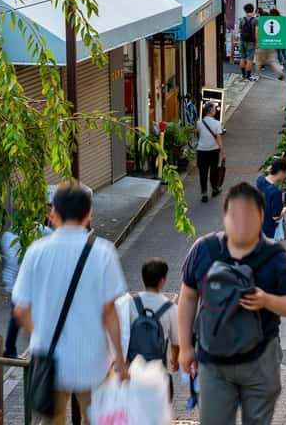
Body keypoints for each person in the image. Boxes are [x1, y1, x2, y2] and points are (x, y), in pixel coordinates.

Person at [178, 183, 286, 425]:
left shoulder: (276, 257)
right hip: (213, 360)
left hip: (260, 359)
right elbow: (188, 295)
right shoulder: (205, 249)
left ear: (261, 216)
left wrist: (267, 300)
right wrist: (185, 347)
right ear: (225, 216)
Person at [12, 181, 128, 425]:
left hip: (50, 361)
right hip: (94, 360)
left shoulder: (36, 252)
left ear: (53, 214)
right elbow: (110, 313)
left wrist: (42, 333)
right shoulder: (103, 253)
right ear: (89, 215)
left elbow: (21, 309)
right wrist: (120, 359)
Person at [115, 259, 179, 374]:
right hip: (157, 369)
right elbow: (175, 342)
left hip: (132, 366)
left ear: (143, 279)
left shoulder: (130, 303)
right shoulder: (171, 308)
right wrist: (174, 360)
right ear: (162, 281)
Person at [196, 102, 225, 203]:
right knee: (213, 171)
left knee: (202, 173)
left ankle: (204, 193)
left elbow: (199, 134)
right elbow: (219, 138)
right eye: (215, 109)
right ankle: (214, 189)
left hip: (201, 151)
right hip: (213, 151)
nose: (216, 111)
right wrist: (222, 151)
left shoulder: (199, 123)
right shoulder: (217, 123)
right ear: (212, 111)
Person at [256, 159, 286, 240]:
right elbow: (276, 216)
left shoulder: (260, 180)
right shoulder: (276, 192)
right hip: (270, 230)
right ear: (281, 172)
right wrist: (285, 209)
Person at [239, 4, 258, 81]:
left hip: (242, 40)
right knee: (250, 58)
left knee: (242, 57)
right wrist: (257, 42)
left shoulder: (242, 19)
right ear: (253, 10)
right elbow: (256, 32)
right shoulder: (255, 20)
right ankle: (248, 75)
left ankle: (243, 74)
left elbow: (240, 31)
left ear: (245, 10)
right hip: (251, 41)